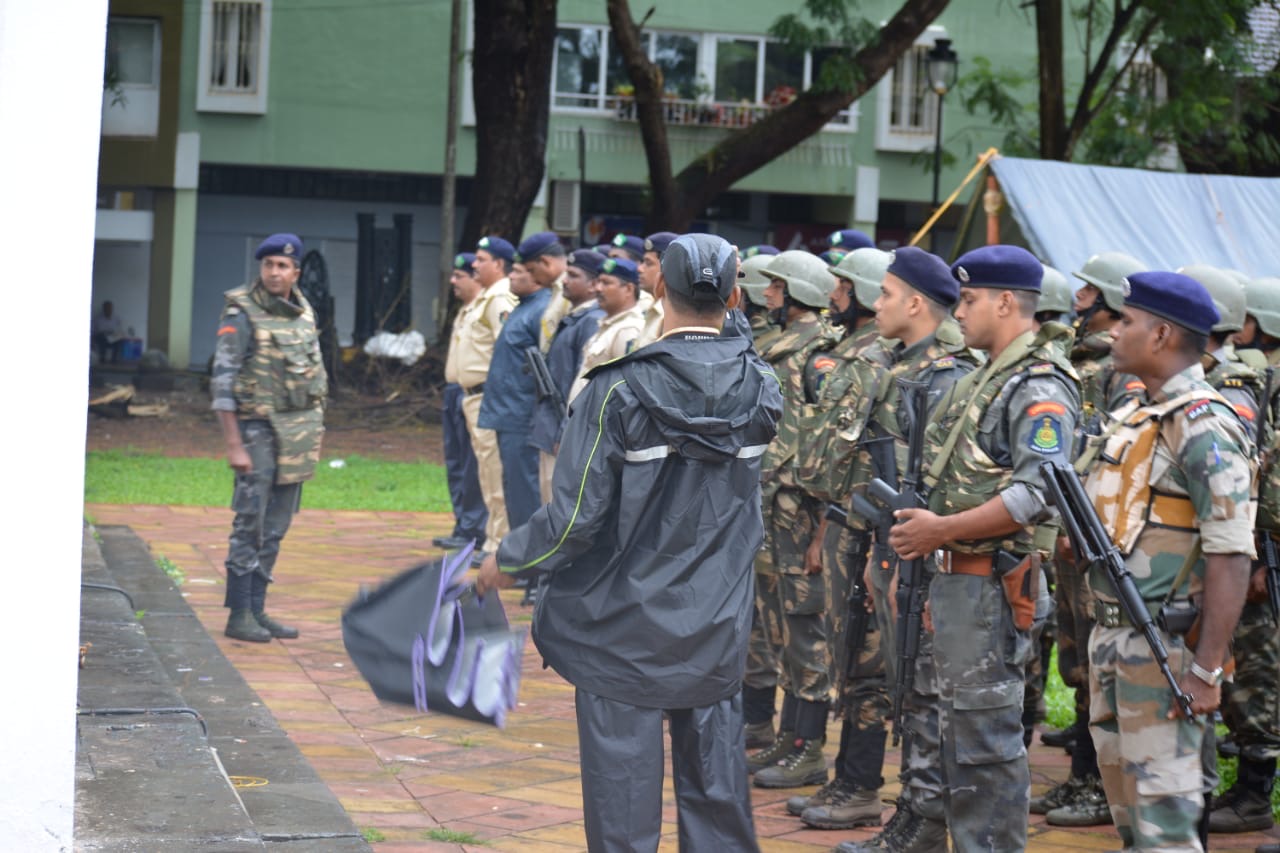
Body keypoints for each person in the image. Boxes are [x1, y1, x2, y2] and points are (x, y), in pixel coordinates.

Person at [475, 233, 782, 852]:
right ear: (735, 295)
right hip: (716, 621)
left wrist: (504, 563)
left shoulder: (617, 388)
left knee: (623, 800)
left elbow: (572, 520)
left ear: (656, 288)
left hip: (622, 626)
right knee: (717, 797)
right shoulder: (762, 387)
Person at [886, 245, 1080, 852]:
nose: (959, 311)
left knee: (984, 751)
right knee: (952, 736)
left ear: (1005, 302)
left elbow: (1039, 494)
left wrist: (939, 534)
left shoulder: (1039, 386)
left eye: (968, 300)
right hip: (954, 583)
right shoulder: (983, 376)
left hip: (991, 587)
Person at [1081, 270, 1255, 852]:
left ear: (1159, 336)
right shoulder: (1139, 417)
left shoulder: (1205, 427)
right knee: (1132, 827)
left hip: (1166, 653)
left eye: (1126, 322)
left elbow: (1231, 554)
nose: (1114, 332)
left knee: (1167, 833)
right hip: (1116, 643)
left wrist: (1206, 671)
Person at [831, 248, 978, 851]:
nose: (877, 303)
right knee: (906, 684)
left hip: (926, 552)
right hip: (896, 545)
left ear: (916, 303)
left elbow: (938, 483)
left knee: (922, 689)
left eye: (887, 294)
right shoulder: (901, 366)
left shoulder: (943, 374)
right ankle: (915, 812)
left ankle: (922, 819)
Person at [746, 250, 840, 789]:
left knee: (807, 633)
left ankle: (809, 747)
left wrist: (824, 530)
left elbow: (833, 447)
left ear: (800, 292)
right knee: (780, 628)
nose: (769, 295)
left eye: (778, 287)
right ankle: (788, 737)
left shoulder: (819, 358)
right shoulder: (784, 347)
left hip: (804, 517)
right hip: (774, 512)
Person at [210, 233, 327, 643]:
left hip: (296, 435)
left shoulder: (304, 312)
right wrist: (233, 444)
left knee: (276, 525)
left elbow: (315, 377)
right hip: (256, 431)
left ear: (296, 272)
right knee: (250, 522)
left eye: (283, 266)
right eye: (268, 265)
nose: (274, 272)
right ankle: (238, 613)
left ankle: (258, 609)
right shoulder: (241, 312)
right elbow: (222, 381)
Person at [478, 244, 552, 534]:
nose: (512, 276)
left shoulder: (541, 310)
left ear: (536, 277)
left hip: (523, 414)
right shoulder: (522, 308)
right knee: (511, 486)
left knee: (525, 489)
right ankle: (518, 553)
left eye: (520, 272)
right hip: (506, 412)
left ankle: (529, 559)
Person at [456, 235, 519, 562]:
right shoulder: (485, 298)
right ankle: (492, 539)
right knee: (485, 471)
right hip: (473, 398)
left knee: (495, 472)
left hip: (487, 397)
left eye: (481, 259)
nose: (474, 264)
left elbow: (505, 350)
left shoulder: (499, 299)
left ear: (499, 264)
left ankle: (499, 543)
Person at [529, 249, 605, 503]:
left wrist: (564, 432)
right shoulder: (575, 318)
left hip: (563, 428)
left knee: (558, 506)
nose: (564, 280)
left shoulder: (590, 321)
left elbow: (581, 384)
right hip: (551, 424)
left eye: (573, 275)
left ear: (594, 284)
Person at [434, 252, 490, 551]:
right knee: (455, 462)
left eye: (460, 276)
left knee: (472, 465)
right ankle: (463, 523)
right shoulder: (466, 310)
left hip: (475, 394)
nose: (453, 281)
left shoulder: (488, 308)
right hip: (454, 391)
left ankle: (474, 528)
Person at [568, 257, 645, 403]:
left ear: (628, 289)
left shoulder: (629, 329)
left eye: (606, 283)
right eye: (598, 282)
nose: (598, 288)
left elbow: (624, 391)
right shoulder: (608, 325)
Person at [634, 232, 676, 348]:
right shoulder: (654, 309)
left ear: (668, 268)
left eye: (648, 263)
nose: (640, 268)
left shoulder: (670, 315)